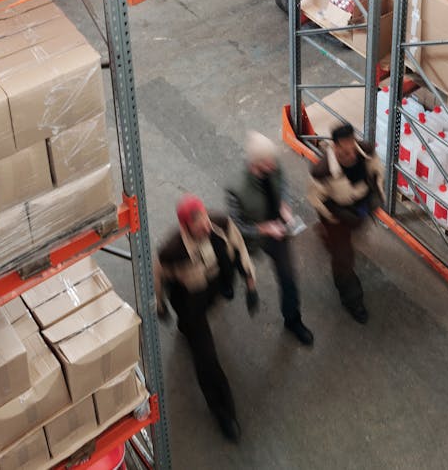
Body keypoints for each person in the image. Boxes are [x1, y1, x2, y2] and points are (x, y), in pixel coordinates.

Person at [155, 194, 259, 442]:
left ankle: (188, 327)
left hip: (213, 284)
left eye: (203, 217)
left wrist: (251, 284)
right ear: (185, 227)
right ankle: (223, 411)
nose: (204, 225)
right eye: (196, 223)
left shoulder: (221, 224)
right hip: (190, 298)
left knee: (226, 259)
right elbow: (159, 278)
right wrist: (160, 305)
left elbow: (240, 248)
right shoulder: (172, 251)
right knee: (206, 359)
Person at [226, 131, 314, 346]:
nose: (274, 166)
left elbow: (282, 183)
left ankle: (292, 320)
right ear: (255, 165)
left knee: (288, 277)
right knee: (233, 262)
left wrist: (283, 204)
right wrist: (262, 229)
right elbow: (236, 226)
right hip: (251, 238)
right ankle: (225, 281)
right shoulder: (236, 188)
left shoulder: (273, 165)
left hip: (276, 232)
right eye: (268, 163)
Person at [307, 123, 384, 324]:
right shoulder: (322, 171)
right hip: (336, 215)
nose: (350, 155)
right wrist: (337, 215)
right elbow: (317, 199)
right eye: (344, 150)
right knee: (343, 258)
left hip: (360, 208)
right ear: (334, 147)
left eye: (352, 147)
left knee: (354, 231)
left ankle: (328, 237)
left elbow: (376, 170)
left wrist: (377, 192)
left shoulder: (365, 151)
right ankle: (352, 299)